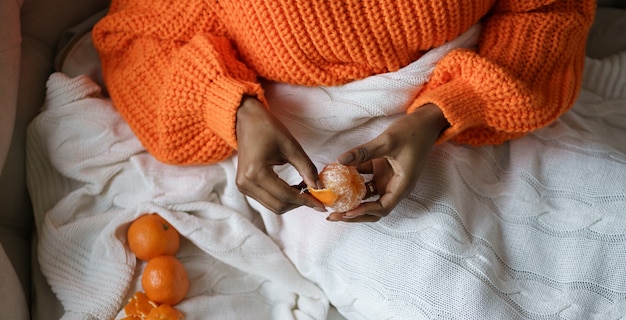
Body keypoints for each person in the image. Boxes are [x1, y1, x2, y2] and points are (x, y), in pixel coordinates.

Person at [92, 0, 596, 222]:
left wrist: (443, 111)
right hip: (315, 165)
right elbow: (134, 42)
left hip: (495, 108)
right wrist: (232, 107)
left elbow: (549, 11)